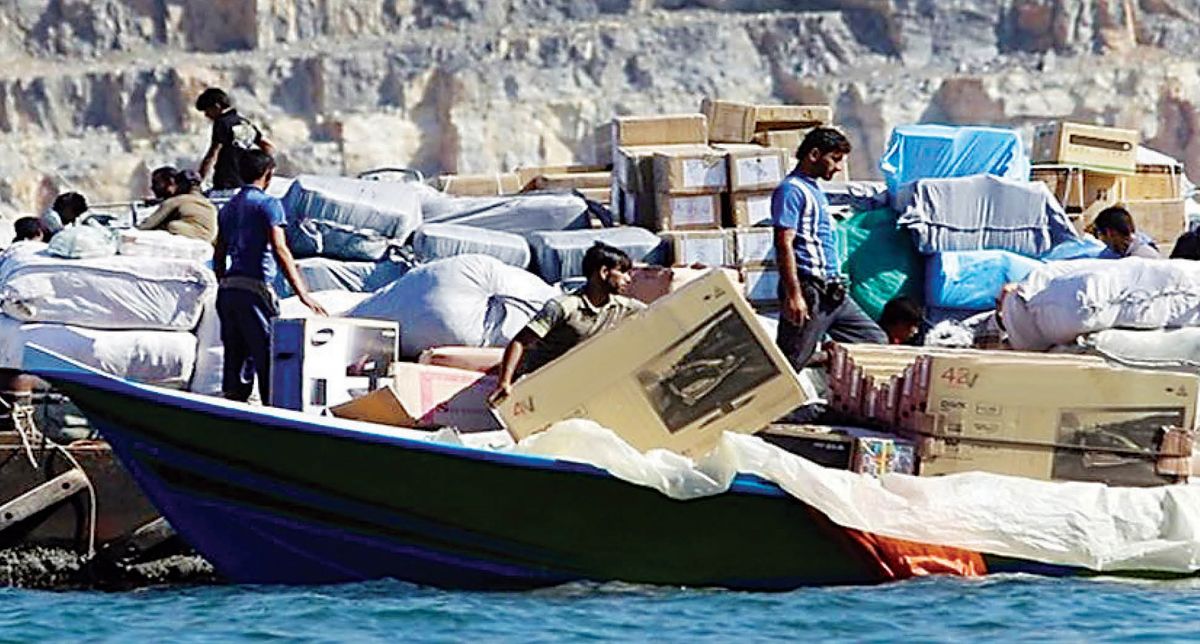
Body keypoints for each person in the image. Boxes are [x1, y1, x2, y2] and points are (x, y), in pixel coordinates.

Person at [213, 150, 325, 403]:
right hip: (255, 289)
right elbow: (280, 249)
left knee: (236, 358)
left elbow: (218, 253)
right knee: (267, 355)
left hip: (229, 290)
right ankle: (271, 413)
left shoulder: (228, 208)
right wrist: (303, 294)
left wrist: (224, 282)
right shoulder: (269, 204)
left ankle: (233, 415)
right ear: (269, 174)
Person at [772, 127, 886, 370]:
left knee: (874, 341)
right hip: (809, 290)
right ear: (814, 154)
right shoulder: (792, 190)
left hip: (833, 293)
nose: (837, 167)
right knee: (789, 364)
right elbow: (784, 243)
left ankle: (830, 355)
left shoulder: (814, 190)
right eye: (834, 159)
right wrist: (794, 295)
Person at [488, 242, 646, 404]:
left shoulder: (622, 307)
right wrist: (504, 383)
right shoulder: (564, 307)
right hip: (536, 381)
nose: (628, 279)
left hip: (571, 383)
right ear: (604, 272)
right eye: (623, 272)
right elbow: (520, 342)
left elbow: (658, 311)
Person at [195, 88, 275, 192]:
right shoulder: (244, 123)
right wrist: (265, 172)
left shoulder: (222, 123)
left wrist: (199, 179)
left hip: (225, 184)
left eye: (207, 110)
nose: (206, 115)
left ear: (216, 106)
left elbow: (213, 153)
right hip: (244, 185)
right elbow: (267, 147)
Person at [138, 166, 219, 243]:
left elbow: (147, 225)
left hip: (195, 236)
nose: (152, 188)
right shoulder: (205, 201)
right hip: (210, 237)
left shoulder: (176, 200)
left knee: (172, 226)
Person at [1093, 206, 1160, 259]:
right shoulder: (1107, 256)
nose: (1101, 240)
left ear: (1110, 233)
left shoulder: (1147, 258)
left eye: (1099, 234)